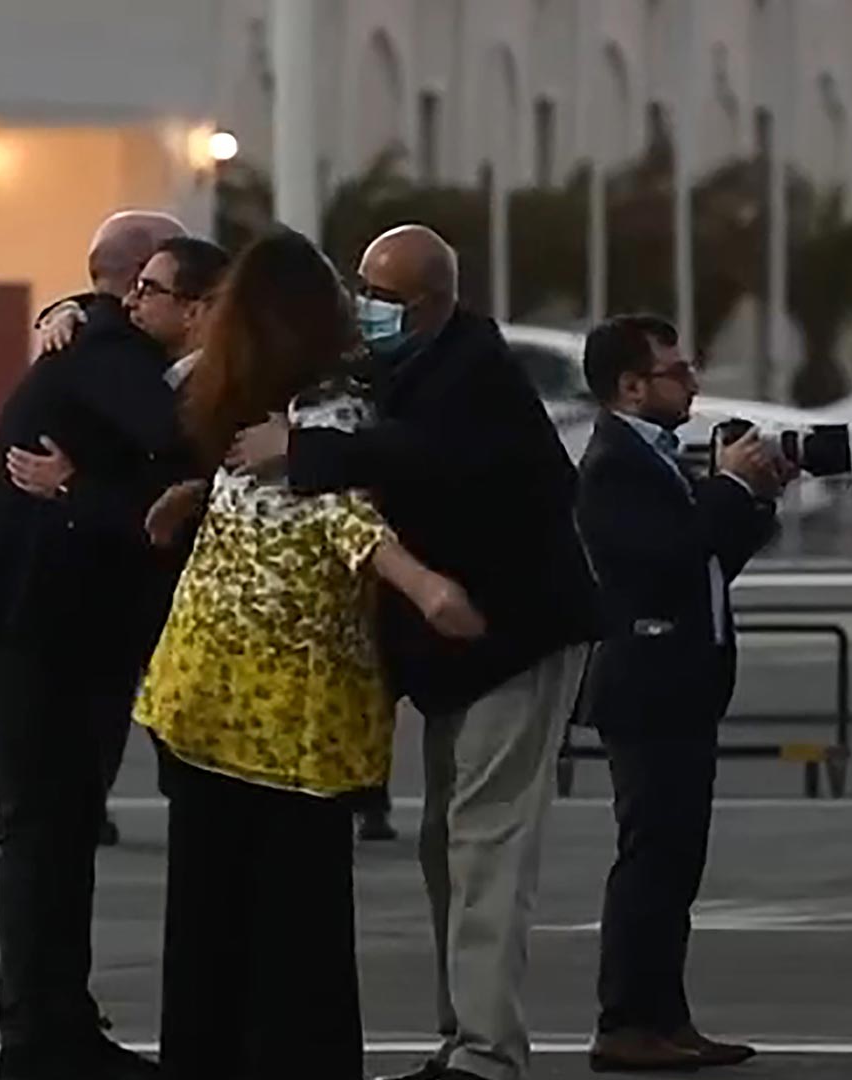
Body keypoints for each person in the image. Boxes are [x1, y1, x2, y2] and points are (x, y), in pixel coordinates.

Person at [227, 225, 599, 1080]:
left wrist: (301, 452)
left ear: (433, 302)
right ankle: (462, 1036)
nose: (368, 307)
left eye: (385, 295)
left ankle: (488, 1053)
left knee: (488, 845)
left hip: (513, 638)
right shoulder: (403, 367)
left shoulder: (476, 373)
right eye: (362, 287)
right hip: (458, 651)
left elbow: (430, 454)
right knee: (447, 842)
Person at [135, 228, 487, 1080]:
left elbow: (311, 509)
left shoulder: (247, 409)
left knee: (207, 912)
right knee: (299, 924)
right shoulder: (323, 411)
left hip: (207, 690)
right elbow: (339, 518)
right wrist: (424, 586)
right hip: (294, 706)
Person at [0, 211, 190, 1080]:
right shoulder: (106, 349)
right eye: (173, 284)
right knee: (46, 828)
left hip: (48, 622)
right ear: (137, 284)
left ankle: (57, 1023)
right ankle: (40, 1036)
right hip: (31, 624)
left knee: (63, 826)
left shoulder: (91, 337)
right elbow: (184, 436)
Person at [574, 314, 789, 1072]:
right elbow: (667, 557)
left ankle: (666, 1016)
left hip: (683, 685)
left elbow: (707, 561)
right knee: (651, 860)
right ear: (631, 387)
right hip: (647, 686)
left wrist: (755, 497)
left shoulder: (656, 459)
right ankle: (626, 1021)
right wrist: (727, 486)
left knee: (676, 865)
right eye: (677, 371)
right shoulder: (613, 464)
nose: (693, 382)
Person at [6, 235, 231, 848]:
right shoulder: (149, 370)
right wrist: (68, 307)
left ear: (195, 309)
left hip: (196, 605)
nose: (130, 301)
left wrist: (72, 487)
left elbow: (167, 501)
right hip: (150, 605)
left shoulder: (213, 389)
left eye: (147, 289)